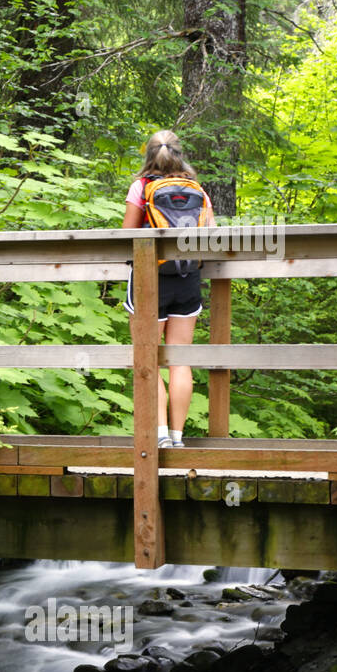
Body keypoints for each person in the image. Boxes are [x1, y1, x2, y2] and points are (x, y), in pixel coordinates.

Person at [122, 130, 215, 448]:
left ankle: (159, 434)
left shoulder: (142, 187)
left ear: (148, 155)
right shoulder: (196, 189)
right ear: (179, 153)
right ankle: (177, 436)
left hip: (150, 280)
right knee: (179, 360)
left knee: (148, 357)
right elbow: (210, 233)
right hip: (187, 279)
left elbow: (126, 236)